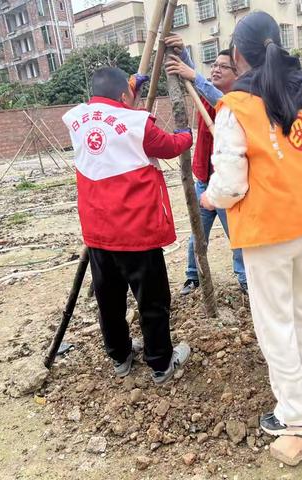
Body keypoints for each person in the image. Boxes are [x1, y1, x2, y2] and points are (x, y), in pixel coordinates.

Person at [200, 11, 302, 437]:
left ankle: (296, 414)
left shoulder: (236, 107)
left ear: (237, 54)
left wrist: (210, 197)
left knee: (275, 322)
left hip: (268, 231)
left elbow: (230, 185)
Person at [62, 67, 192, 385]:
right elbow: (172, 145)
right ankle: (161, 363)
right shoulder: (138, 125)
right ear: (124, 96)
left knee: (109, 300)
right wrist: (190, 133)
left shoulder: (77, 120)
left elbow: (110, 113)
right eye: (129, 93)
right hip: (137, 233)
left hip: (98, 234)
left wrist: (132, 83)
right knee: (152, 301)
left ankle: (120, 357)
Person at [164, 34, 248, 295]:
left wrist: (191, 71)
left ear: (238, 73)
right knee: (197, 235)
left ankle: (245, 278)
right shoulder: (207, 93)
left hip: (226, 183)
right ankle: (193, 275)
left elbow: (211, 93)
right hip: (203, 179)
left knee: (237, 234)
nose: (216, 69)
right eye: (214, 65)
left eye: (224, 66)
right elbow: (201, 84)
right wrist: (183, 53)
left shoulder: (236, 99)